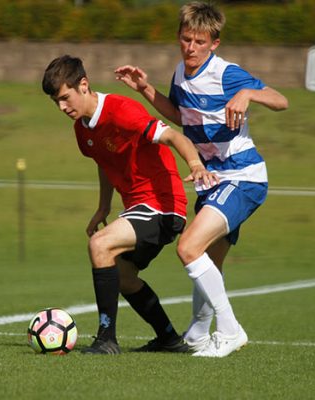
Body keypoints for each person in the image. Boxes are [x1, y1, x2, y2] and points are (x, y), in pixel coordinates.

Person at [115, 1, 288, 358]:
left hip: (243, 178)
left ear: (214, 44)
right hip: (212, 181)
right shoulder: (180, 73)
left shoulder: (227, 74)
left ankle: (230, 330)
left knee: (188, 247)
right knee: (210, 259)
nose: (190, 47)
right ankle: (196, 334)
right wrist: (145, 90)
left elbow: (280, 100)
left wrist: (248, 93)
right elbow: (181, 116)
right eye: (185, 39)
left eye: (198, 41)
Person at [42, 55, 220, 354]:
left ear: (83, 85)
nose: (62, 107)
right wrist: (103, 207)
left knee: (100, 245)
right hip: (138, 208)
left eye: (64, 98)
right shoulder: (82, 130)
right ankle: (168, 338)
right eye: (55, 102)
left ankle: (106, 339)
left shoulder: (122, 110)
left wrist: (195, 164)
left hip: (163, 206)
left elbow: (174, 136)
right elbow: (106, 162)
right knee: (123, 276)